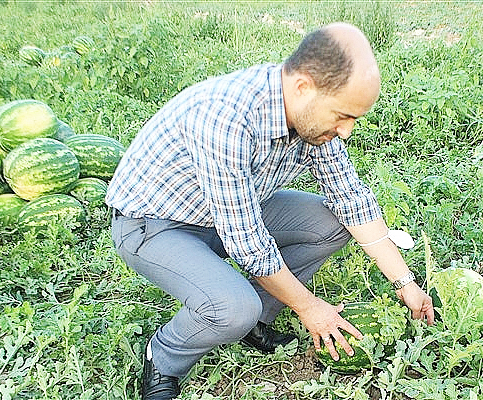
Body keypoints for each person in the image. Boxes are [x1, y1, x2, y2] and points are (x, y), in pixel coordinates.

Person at [105, 22, 434, 400]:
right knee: (232, 307)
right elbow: (247, 242)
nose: (346, 131)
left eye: (354, 119)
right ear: (303, 86)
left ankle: (258, 319)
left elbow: (352, 201)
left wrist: (406, 284)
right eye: (343, 116)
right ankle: (163, 357)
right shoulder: (224, 115)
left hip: (227, 211)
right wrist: (310, 307)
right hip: (155, 224)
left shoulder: (314, 120)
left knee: (332, 223)